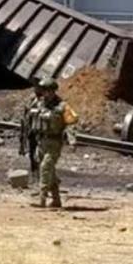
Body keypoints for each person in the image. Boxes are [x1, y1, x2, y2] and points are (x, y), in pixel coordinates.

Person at [29, 78, 78, 209]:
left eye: (49, 91)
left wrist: (72, 141)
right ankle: (56, 200)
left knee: (45, 167)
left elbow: (71, 124)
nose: (46, 94)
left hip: (54, 142)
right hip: (41, 141)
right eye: (44, 91)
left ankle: (42, 198)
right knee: (49, 171)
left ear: (53, 91)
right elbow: (29, 118)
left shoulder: (62, 106)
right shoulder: (39, 104)